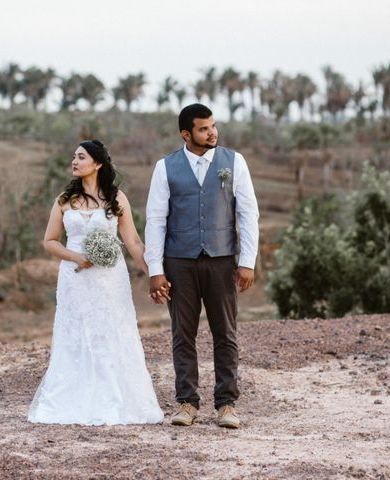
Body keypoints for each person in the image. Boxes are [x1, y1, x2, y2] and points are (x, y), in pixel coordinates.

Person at [28, 139, 164, 425]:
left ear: (98, 163)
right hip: (74, 279)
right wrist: (76, 257)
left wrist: (154, 273)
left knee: (110, 332)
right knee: (75, 332)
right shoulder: (65, 200)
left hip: (109, 279)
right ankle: (72, 399)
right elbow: (49, 241)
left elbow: (134, 243)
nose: (74, 162)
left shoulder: (117, 199)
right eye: (73, 157)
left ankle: (115, 400)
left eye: (81, 157)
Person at [144, 104, 259, 429]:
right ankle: (187, 402)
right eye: (204, 129)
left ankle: (226, 404)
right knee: (183, 333)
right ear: (186, 134)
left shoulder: (234, 162)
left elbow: (248, 213)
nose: (213, 133)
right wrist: (156, 269)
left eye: (213, 126)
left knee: (225, 332)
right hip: (179, 261)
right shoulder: (165, 167)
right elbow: (155, 219)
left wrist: (247, 261)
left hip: (222, 260)